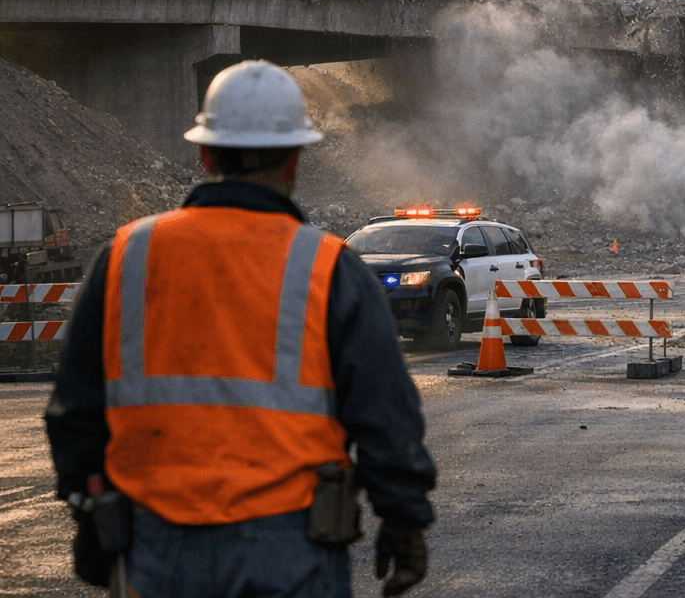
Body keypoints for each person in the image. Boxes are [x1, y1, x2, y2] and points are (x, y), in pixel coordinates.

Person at [46, 60, 437, 597]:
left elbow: (75, 409)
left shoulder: (125, 256)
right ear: (295, 159)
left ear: (205, 153)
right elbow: (384, 413)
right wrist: (404, 518)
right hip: (292, 546)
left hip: (155, 545)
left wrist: (85, 504)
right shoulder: (328, 267)